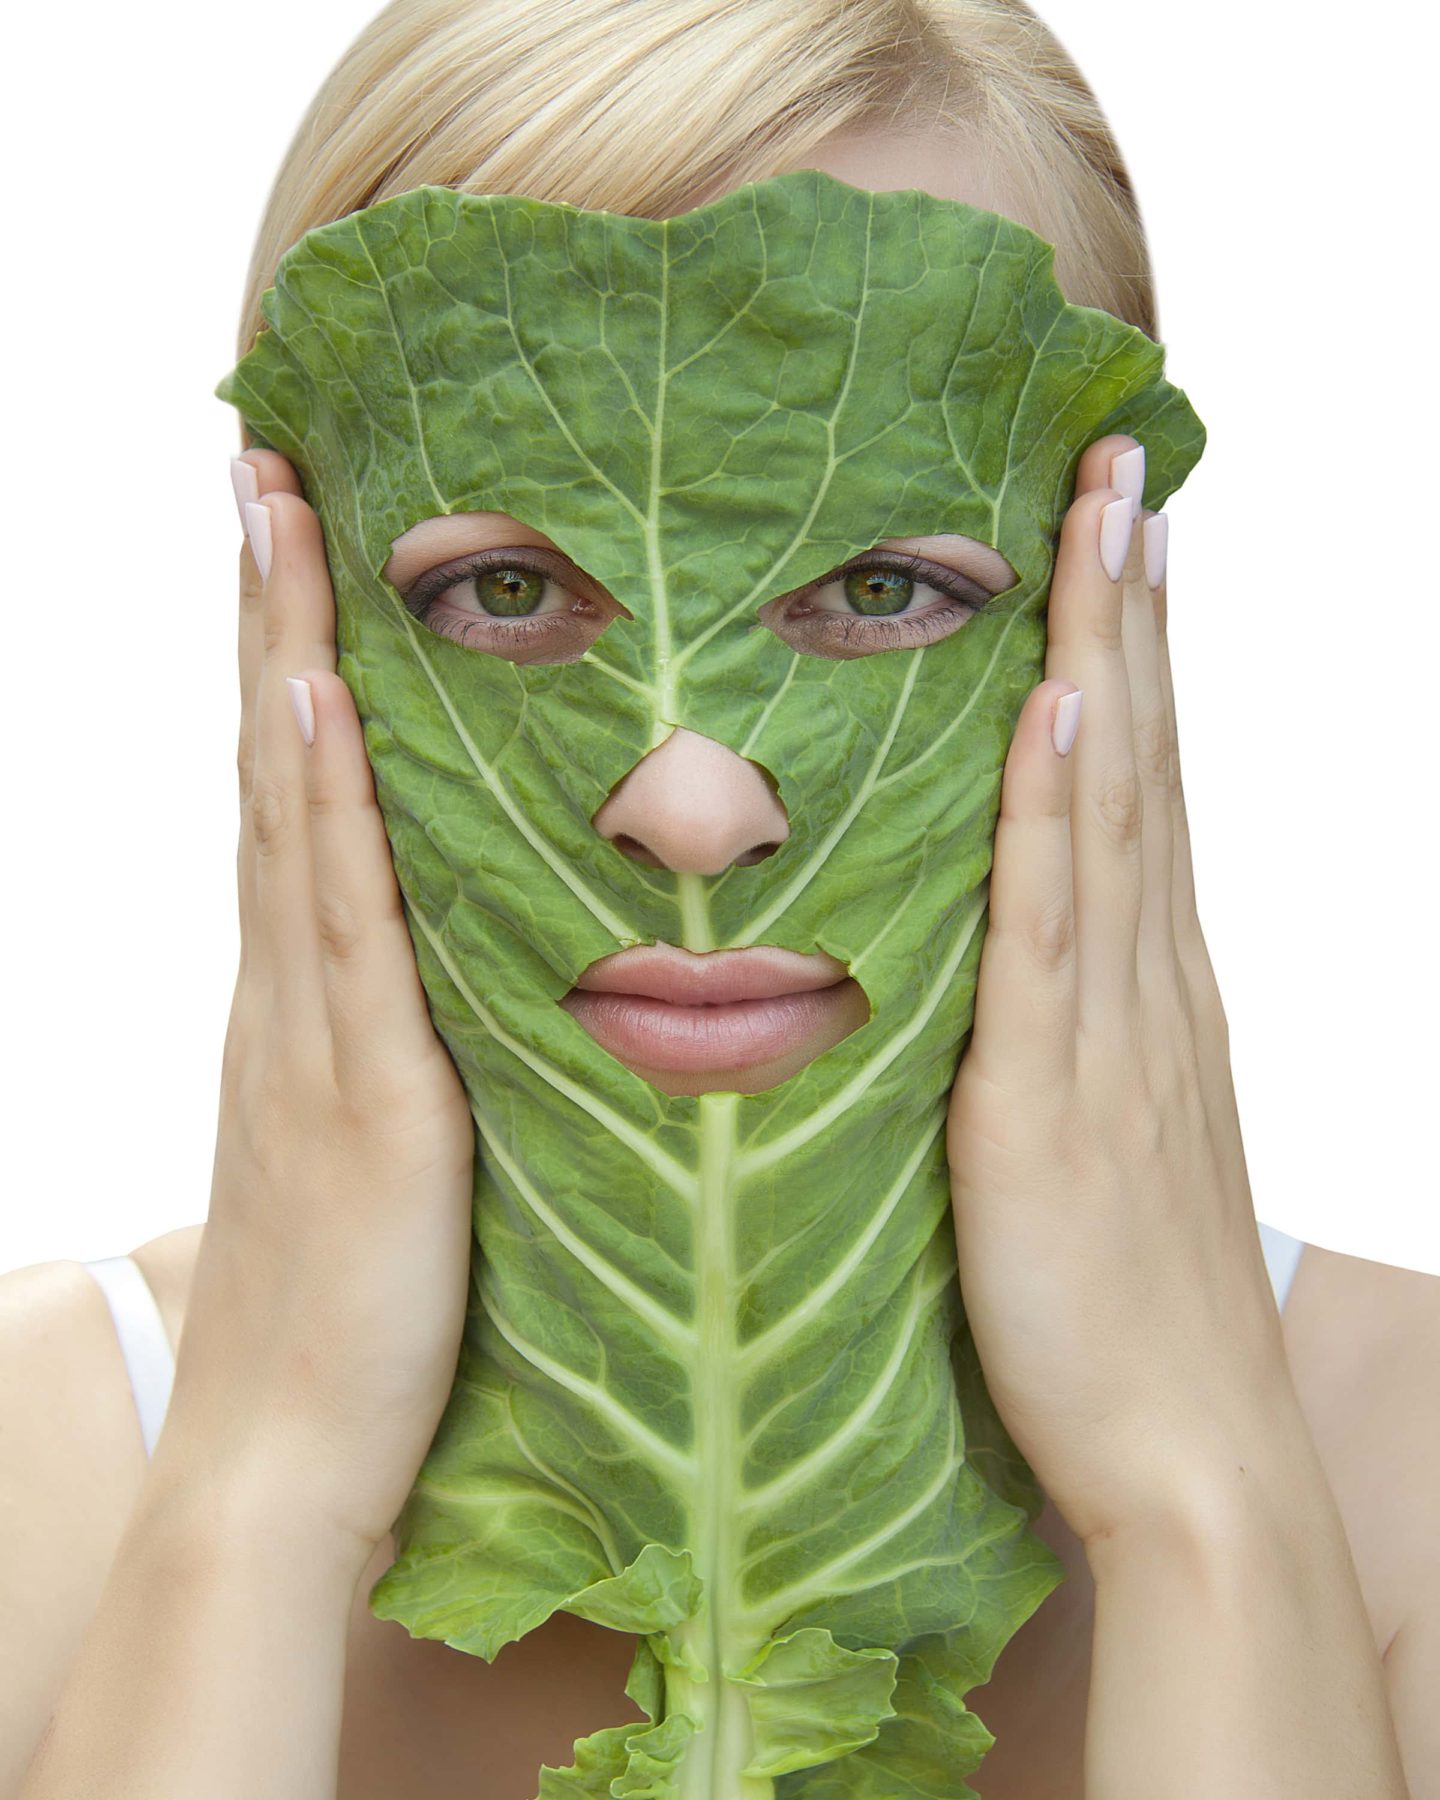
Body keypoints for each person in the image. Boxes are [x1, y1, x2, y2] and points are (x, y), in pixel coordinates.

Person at [4, 1, 1435, 1796]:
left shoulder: (1417, 1476)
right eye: (507, 591)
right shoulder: (45, 1454)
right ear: (296, 613)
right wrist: (259, 1492)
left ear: (1121, 606)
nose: (690, 805)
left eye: (891, 586)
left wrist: (1202, 1496)